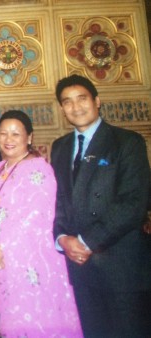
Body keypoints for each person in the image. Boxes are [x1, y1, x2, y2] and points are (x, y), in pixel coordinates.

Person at [51, 74, 151, 338]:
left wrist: (86, 240)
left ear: (97, 101)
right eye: (67, 102)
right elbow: (58, 200)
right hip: (80, 268)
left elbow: (134, 202)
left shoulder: (127, 142)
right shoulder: (59, 147)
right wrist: (62, 238)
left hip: (122, 267)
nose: (76, 107)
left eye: (82, 99)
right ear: (62, 109)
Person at [0, 110, 83, 337]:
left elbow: (36, 218)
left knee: (38, 319)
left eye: (16, 134)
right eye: (3, 134)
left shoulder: (39, 168)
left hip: (32, 261)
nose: (8, 139)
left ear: (29, 138)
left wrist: (1, 249)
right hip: (2, 260)